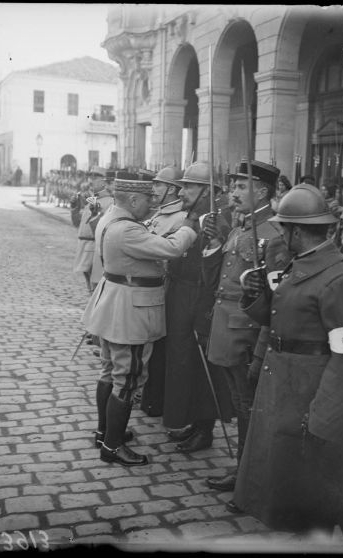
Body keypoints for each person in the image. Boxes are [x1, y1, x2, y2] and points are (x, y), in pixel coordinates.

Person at [231, 184, 343, 540]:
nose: (281, 235)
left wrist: (325, 415)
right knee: (281, 469)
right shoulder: (301, 266)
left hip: (307, 387)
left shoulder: (338, 279)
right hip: (283, 379)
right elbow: (281, 319)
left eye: (284, 229)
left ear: (297, 232)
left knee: (306, 479)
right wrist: (255, 295)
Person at [82, 177, 199, 467]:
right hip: (129, 312)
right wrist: (188, 227)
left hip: (113, 305)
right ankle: (112, 446)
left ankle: (104, 433)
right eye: (148, 200)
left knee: (110, 372)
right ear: (133, 200)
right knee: (128, 378)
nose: (152, 205)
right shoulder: (127, 229)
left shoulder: (111, 217)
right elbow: (172, 248)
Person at [200, 159, 292, 492]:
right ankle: (245, 471)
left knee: (247, 406)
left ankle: (247, 476)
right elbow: (221, 278)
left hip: (247, 332)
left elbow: (276, 297)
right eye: (233, 186)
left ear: (263, 192)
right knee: (240, 403)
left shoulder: (273, 234)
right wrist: (215, 242)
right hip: (227, 325)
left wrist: (261, 344)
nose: (233, 192)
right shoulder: (240, 227)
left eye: (241, 186)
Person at [162, 162, 234, 453]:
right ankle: (191, 419)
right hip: (180, 293)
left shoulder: (219, 219)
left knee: (203, 366)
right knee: (182, 361)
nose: (183, 192)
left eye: (190, 186)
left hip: (200, 296)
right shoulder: (191, 215)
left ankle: (205, 428)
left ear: (208, 191)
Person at [140, 166, 186, 417]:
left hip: (167, 286)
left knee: (160, 348)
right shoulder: (158, 214)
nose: (153, 188)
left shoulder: (180, 218)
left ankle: (155, 399)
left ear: (172, 189)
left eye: (158, 184)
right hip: (154, 288)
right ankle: (147, 394)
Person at [72, 178, 113, 294]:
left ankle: (94, 295)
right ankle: (92, 293)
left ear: (103, 184)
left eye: (95, 179)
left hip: (94, 242)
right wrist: (74, 208)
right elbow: (77, 223)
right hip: (84, 242)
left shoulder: (110, 202)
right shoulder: (91, 200)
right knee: (85, 271)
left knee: (92, 273)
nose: (90, 183)